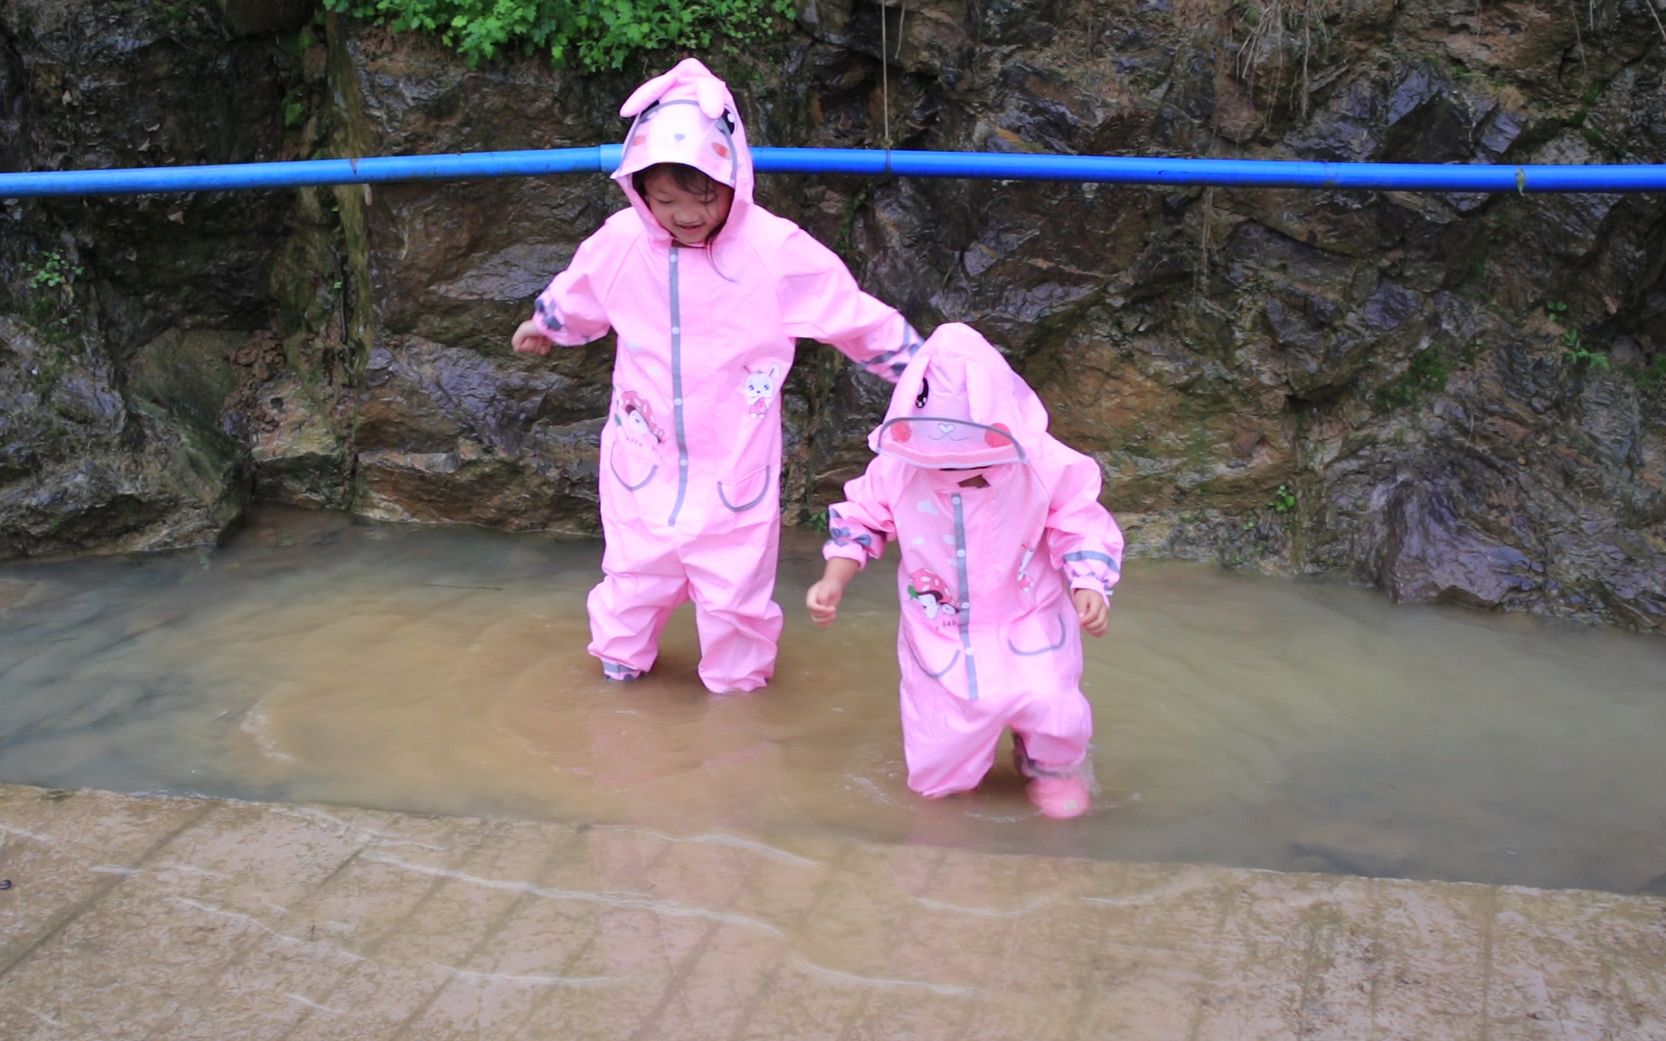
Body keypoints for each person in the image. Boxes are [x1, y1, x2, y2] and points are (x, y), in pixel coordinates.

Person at [512, 58, 920, 695]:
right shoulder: (622, 241)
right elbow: (582, 287)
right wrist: (550, 324)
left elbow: (852, 314)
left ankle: (736, 695)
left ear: (734, 176)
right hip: (642, 446)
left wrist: (920, 371)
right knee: (632, 572)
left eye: (703, 195)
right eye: (664, 199)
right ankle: (620, 669)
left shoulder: (773, 249)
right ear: (639, 192)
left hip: (734, 451)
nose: (685, 214)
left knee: (735, 589)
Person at [804, 323, 1123, 819]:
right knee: (940, 752)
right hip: (940, 624)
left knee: (1050, 701)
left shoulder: (1040, 462)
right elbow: (862, 518)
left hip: (1027, 611)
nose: (951, 469)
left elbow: (1079, 520)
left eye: (967, 462)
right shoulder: (899, 467)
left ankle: (1049, 768)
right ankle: (955, 784)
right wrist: (834, 578)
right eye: (940, 461)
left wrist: (1089, 583)